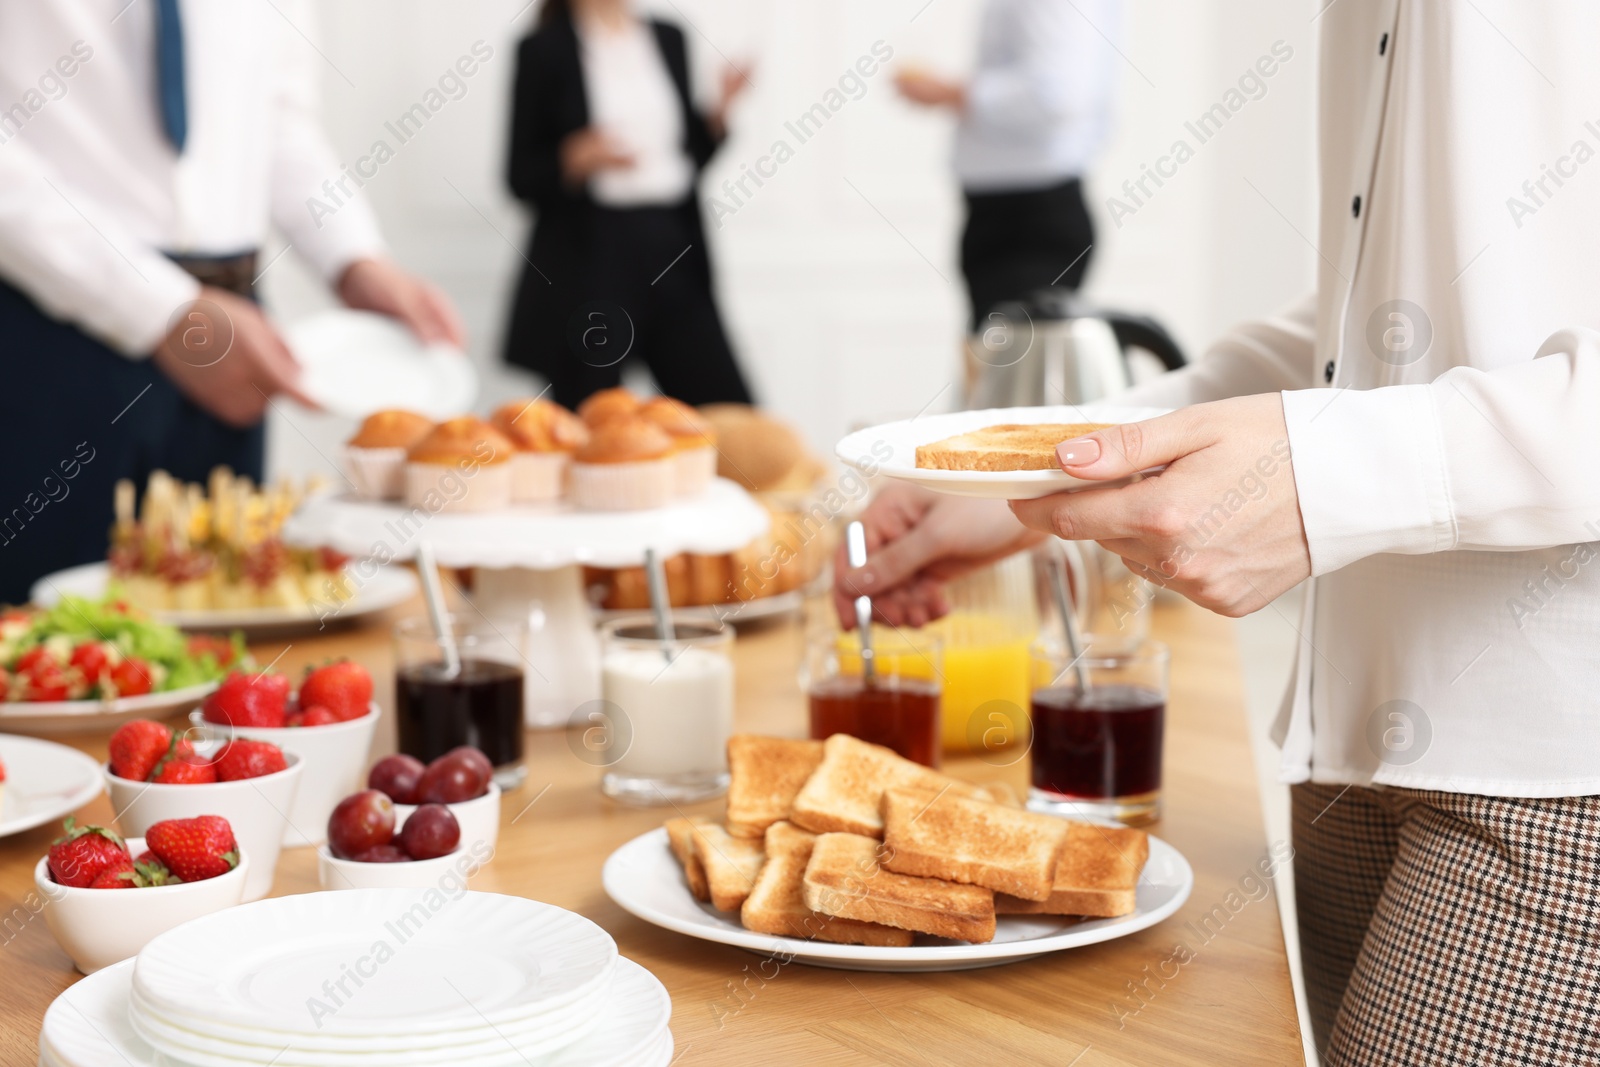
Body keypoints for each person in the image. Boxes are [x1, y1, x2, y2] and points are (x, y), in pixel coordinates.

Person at [840, 7, 1600, 1065]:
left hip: (1563, 769)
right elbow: (1367, 321)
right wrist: (1035, 473)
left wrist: (1329, 469)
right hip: (1352, 740)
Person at [0, 0, 462, 604]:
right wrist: (163, 310)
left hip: (233, 333)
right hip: (52, 327)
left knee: (223, 619)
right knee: (49, 645)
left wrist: (354, 259)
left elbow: (279, 119)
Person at [503, 0, 754, 410]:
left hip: (673, 245)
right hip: (593, 257)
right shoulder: (544, 48)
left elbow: (684, 159)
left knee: (727, 412)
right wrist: (573, 157)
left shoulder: (669, 36)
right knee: (589, 421)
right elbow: (519, 177)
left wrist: (720, 112)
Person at [895, 0, 1117, 331]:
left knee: (1012, 368)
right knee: (999, 366)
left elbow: (1056, 95)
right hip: (1011, 212)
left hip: (1029, 221)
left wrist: (950, 93)